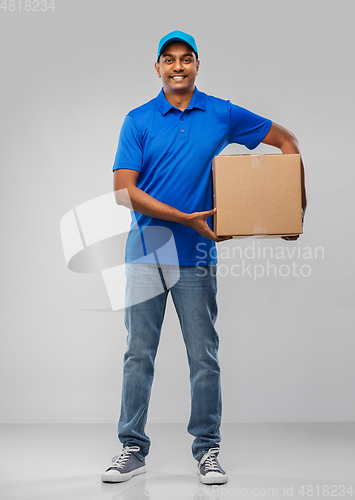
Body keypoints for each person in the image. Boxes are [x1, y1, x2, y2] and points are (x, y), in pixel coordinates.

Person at [101, 30, 307, 485]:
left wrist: (294, 210)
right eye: (169, 59)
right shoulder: (137, 120)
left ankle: (208, 451)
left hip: (196, 257)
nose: (178, 66)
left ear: (197, 66)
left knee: (204, 358)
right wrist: (185, 217)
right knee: (138, 355)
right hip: (144, 257)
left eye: (186, 59)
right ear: (157, 68)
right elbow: (123, 191)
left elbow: (287, 141)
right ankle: (131, 449)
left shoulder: (221, 113)